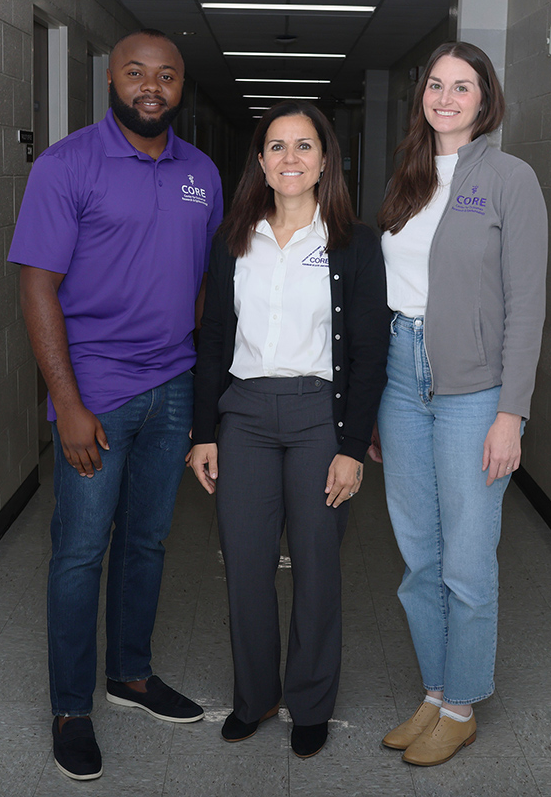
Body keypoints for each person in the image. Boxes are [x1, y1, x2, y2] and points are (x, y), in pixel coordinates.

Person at [8, 28, 223, 782]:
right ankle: (71, 708)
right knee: (79, 552)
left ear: (181, 84)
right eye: (136, 73)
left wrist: (203, 392)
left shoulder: (202, 173)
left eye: (166, 75)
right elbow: (36, 286)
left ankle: (130, 674)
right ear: (111, 79)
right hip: (94, 394)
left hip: (173, 389)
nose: (152, 87)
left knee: (148, 543)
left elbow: (204, 286)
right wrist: (64, 402)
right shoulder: (67, 165)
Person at [188, 101, 389, 759]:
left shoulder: (353, 244)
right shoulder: (233, 238)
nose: (291, 158)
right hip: (243, 415)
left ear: (325, 159)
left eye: (305, 146)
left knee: (316, 566)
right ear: (261, 161)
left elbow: (368, 352)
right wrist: (204, 431)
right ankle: (255, 697)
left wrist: (352, 449)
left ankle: (309, 701)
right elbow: (213, 337)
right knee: (245, 566)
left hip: (317, 418)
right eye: (277, 146)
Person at [374, 41, 547, 766]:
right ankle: (436, 687)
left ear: (485, 99)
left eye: (463, 87)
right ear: (424, 96)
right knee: (418, 555)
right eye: (437, 85)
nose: (446, 97)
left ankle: (463, 703)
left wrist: (512, 412)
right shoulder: (408, 179)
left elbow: (527, 304)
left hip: (475, 390)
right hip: (399, 379)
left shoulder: (510, 179)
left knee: (467, 557)